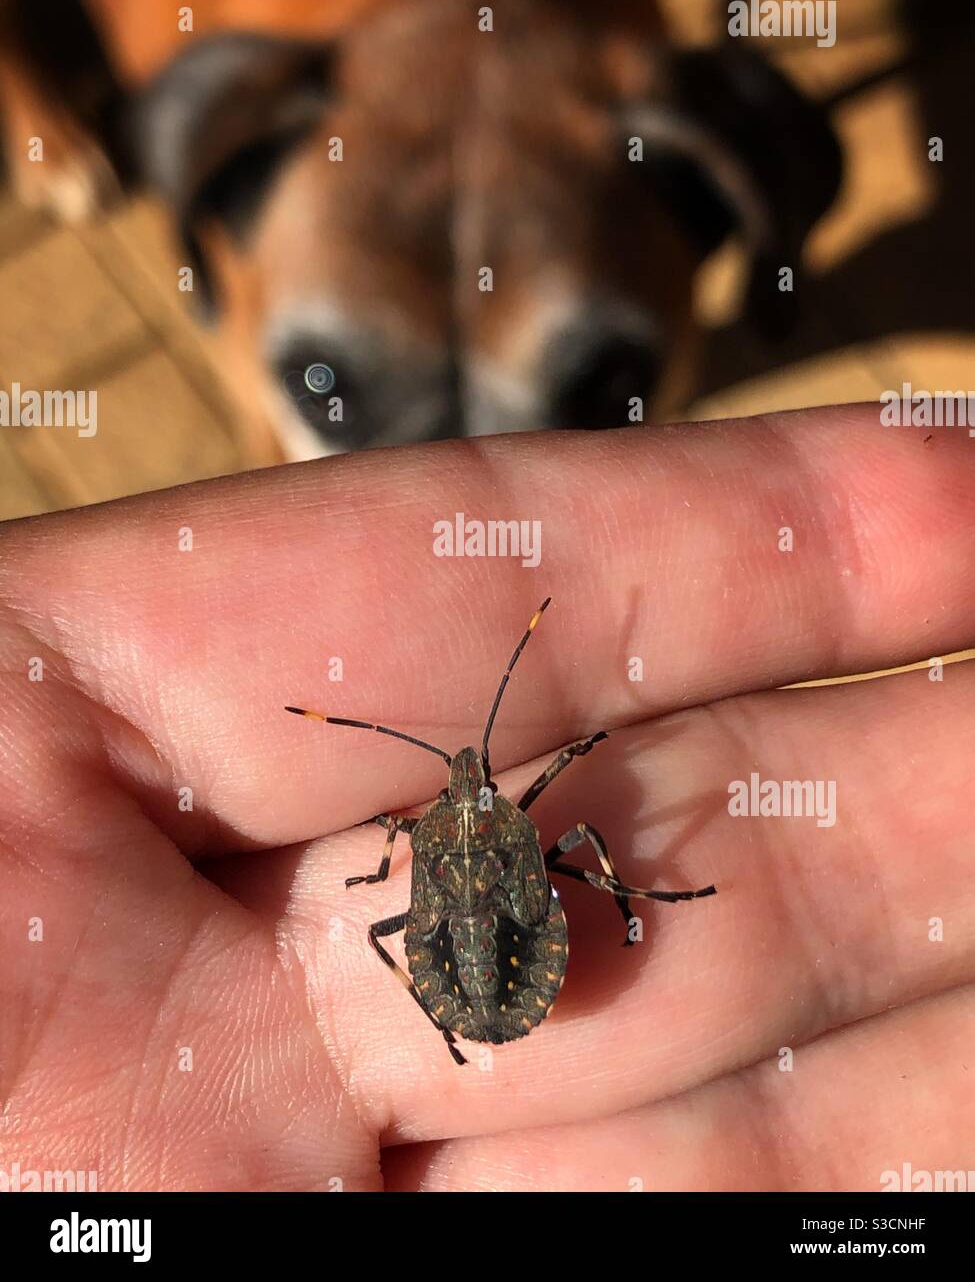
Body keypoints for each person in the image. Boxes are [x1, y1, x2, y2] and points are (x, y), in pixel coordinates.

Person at [1, 404, 971, 1191]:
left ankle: (496, 998)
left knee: (399, 927)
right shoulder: (503, 818)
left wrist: (393, 861)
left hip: (466, 980)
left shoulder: (426, 832)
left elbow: (413, 870)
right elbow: (567, 823)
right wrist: (603, 818)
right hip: (505, 948)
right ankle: (639, 909)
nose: (467, 777)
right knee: (581, 831)